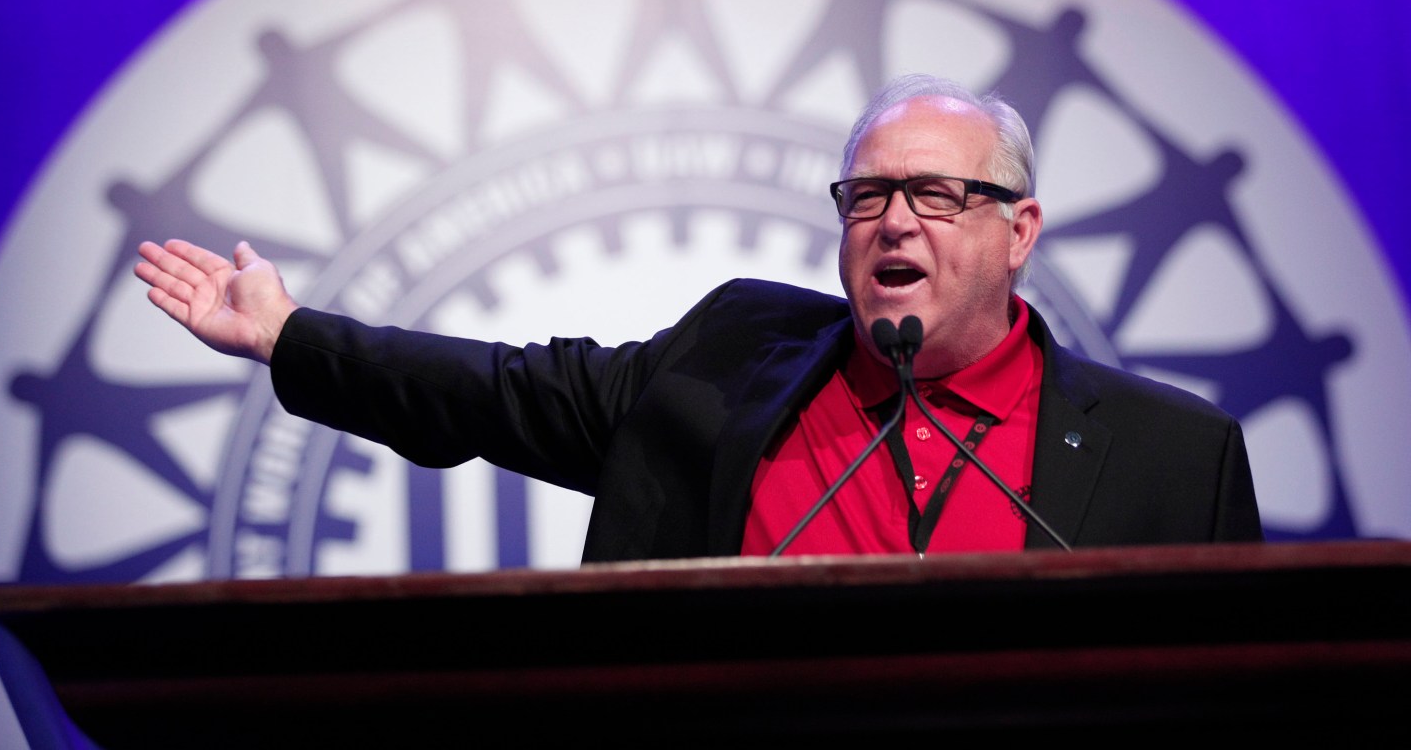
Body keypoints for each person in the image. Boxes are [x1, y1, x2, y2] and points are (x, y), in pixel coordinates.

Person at [135, 74, 1262, 561]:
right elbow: (496, 391)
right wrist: (291, 334)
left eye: (937, 195)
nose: (893, 223)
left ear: (1019, 231)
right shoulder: (727, 366)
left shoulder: (1175, 458)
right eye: (867, 195)